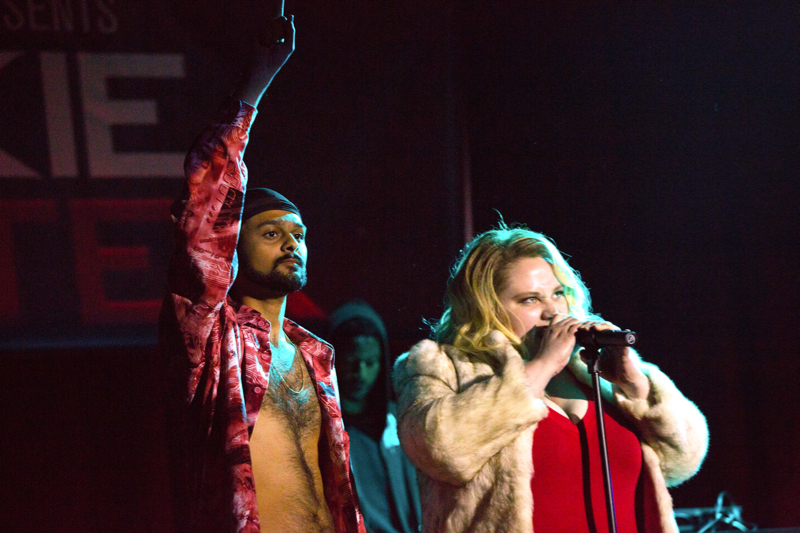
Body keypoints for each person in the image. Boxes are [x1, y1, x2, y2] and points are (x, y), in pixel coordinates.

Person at [159, 15, 365, 533]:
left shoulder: (318, 356)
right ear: (233, 246)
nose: (291, 243)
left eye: (297, 233)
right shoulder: (209, 337)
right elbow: (204, 213)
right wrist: (256, 85)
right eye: (271, 233)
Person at [392, 224, 709, 533]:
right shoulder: (441, 366)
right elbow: (439, 449)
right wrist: (543, 365)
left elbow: (683, 461)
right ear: (485, 308)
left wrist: (636, 385)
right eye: (530, 299)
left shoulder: (596, 368)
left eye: (559, 294)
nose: (553, 312)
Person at [328, 300, 422, 533]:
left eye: (370, 362)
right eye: (351, 361)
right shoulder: (321, 427)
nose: (360, 373)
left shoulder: (400, 422)